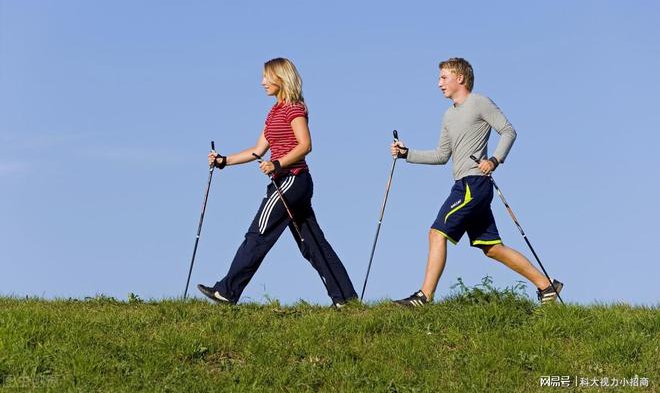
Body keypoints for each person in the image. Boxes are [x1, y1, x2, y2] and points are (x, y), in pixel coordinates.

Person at [390, 57, 563, 306]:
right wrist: (407, 154)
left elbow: (508, 131)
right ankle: (548, 286)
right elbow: (441, 155)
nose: (439, 84)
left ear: (460, 78)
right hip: (464, 184)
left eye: (443, 77)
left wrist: (494, 160)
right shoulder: (448, 116)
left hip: (474, 184)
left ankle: (424, 297)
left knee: (436, 233)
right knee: (491, 247)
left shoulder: (479, 102)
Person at [197, 57, 358, 307]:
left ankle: (227, 291)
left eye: (266, 77)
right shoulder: (274, 112)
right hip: (289, 183)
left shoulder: (295, 108)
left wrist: (278, 164)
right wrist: (223, 161)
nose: (262, 82)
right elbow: (259, 149)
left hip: (291, 181)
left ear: (280, 78)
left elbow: (306, 145)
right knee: (312, 243)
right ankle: (346, 299)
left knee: (258, 233)